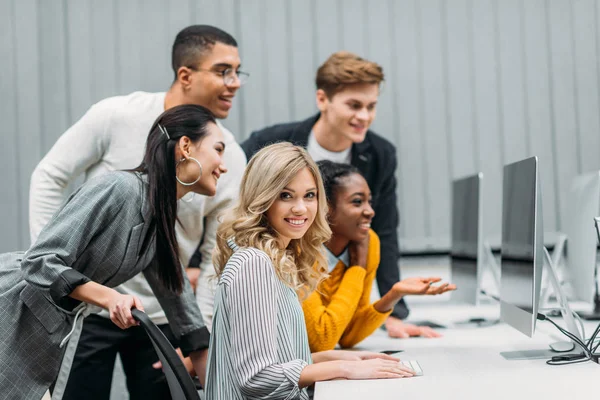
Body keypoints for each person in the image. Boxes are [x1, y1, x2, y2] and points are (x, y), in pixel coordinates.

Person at [28, 25, 247, 398]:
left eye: (238, 72)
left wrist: (201, 345)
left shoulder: (164, 209)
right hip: (87, 308)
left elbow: (186, 271)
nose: (235, 83)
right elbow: (42, 254)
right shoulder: (118, 157)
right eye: (223, 71)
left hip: (153, 317)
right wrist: (66, 277)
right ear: (186, 75)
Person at [0, 104, 224, 400]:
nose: (224, 165)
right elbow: (39, 261)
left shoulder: (158, 219)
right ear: (185, 147)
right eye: (218, 149)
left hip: (46, 333)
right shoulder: (120, 188)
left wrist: (220, 388)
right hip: (13, 311)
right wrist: (110, 298)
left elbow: (184, 312)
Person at [241, 51, 434, 339]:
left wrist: (394, 314)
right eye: (354, 105)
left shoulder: (381, 154)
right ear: (322, 100)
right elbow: (230, 208)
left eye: (371, 106)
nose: (364, 116)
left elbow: (384, 231)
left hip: (330, 288)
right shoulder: (268, 143)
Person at [204, 143, 415, 400]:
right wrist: (345, 368)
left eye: (310, 195)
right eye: (285, 195)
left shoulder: (276, 259)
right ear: (261, 198)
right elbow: (258, 378)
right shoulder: (254, 263)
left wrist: (346, 358)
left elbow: (284, 359)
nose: (301, 208)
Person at [303, 161, 457, 352]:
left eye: (370, 201)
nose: (370, 211)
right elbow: (322, 340)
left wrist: (393, 295)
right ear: (325, 208)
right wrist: (358, 268)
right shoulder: (297, 252)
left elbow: (348, 336)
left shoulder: (368, 242)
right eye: (357, 202)